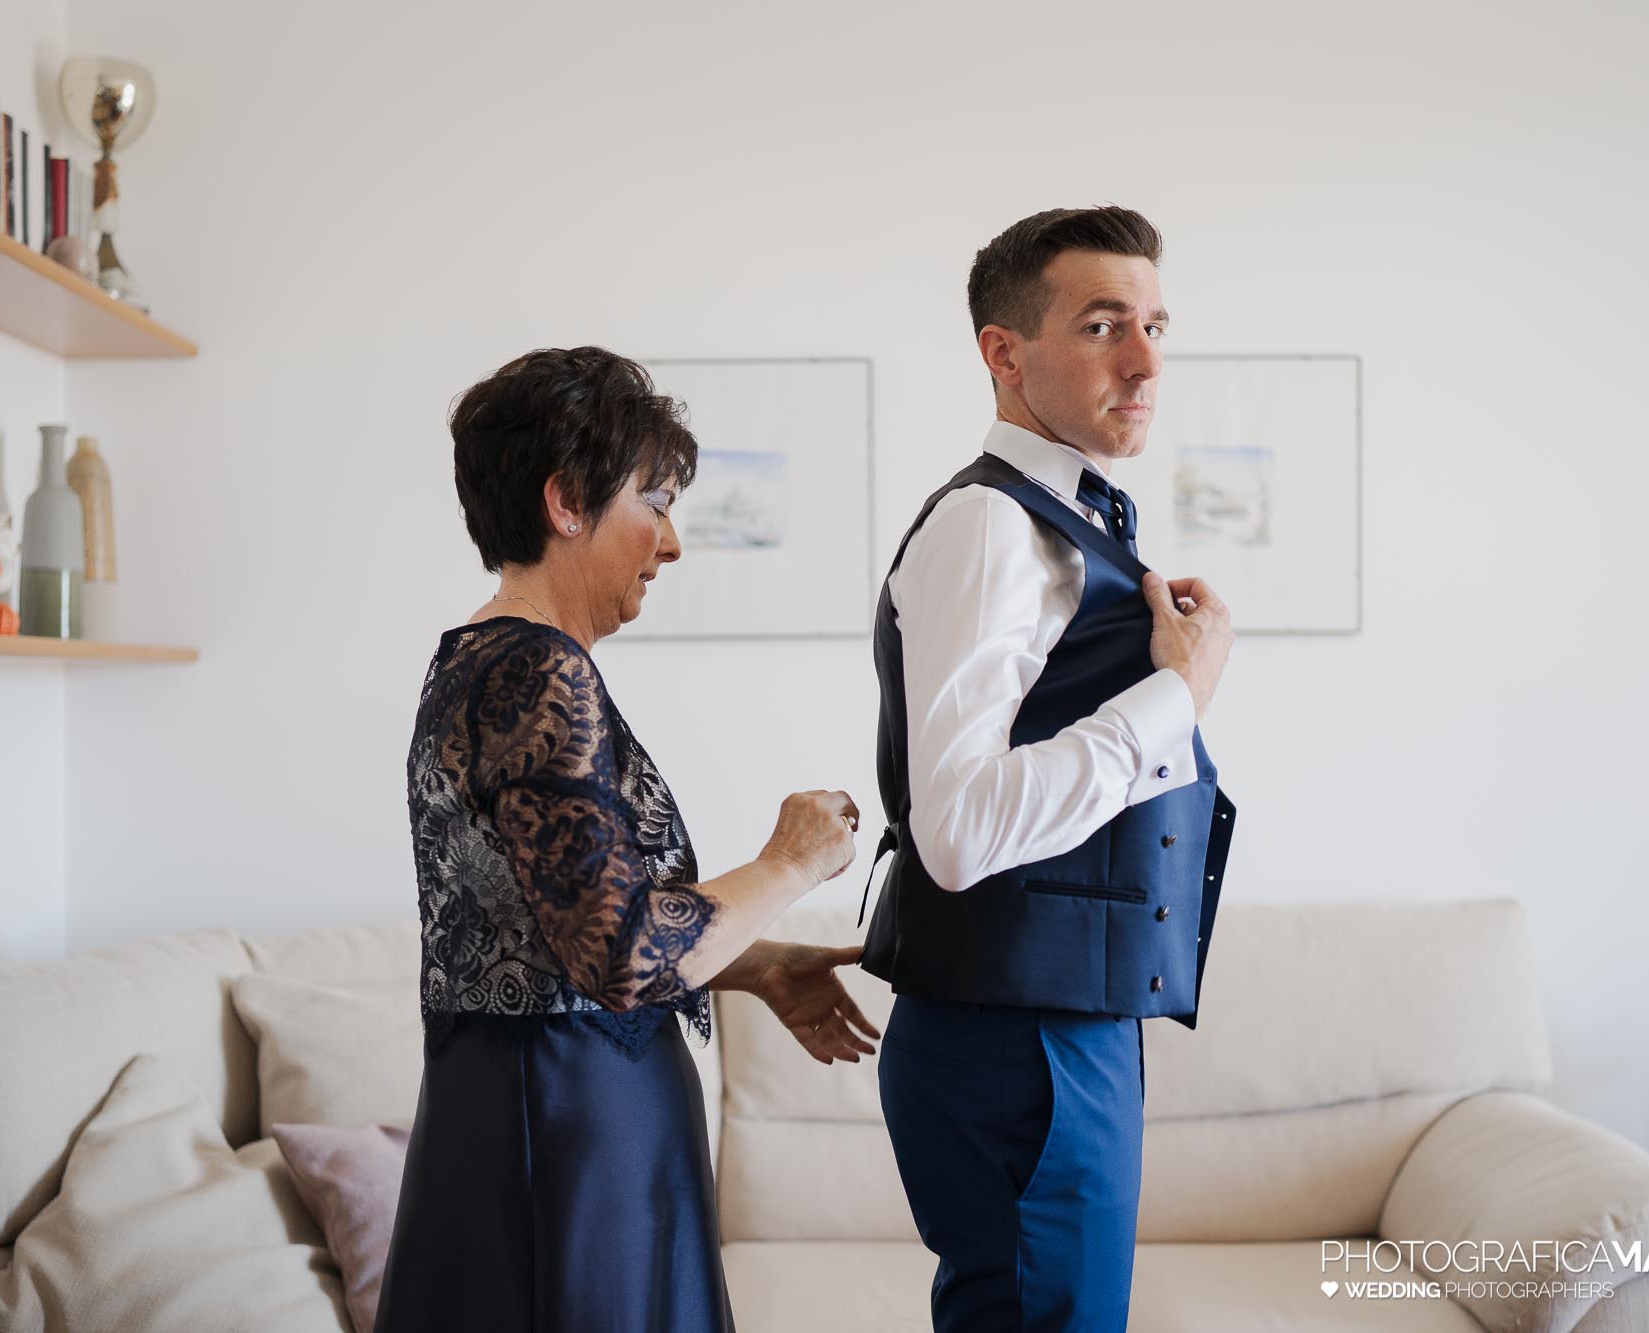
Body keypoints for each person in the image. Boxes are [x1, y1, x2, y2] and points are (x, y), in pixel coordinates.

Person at [375, 345, 879, 1332]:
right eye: (653, 502)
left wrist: (755, 962)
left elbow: (553, 932)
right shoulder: (536, 672)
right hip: (568, 1134)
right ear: (566, 501)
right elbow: (614, 956)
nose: (672, 541)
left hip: (535, 1116)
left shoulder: (485, 660)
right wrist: (787, 860)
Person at [859, 206, 1239, 1331]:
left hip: (1063, 1022)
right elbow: (960, 828)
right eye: (1103, 324)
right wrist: (1178, 693)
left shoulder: (1072, 524)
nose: (1143, 361)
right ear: (1003, 351)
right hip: (1014, 1039)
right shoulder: (987, 525)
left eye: (1156, 326)